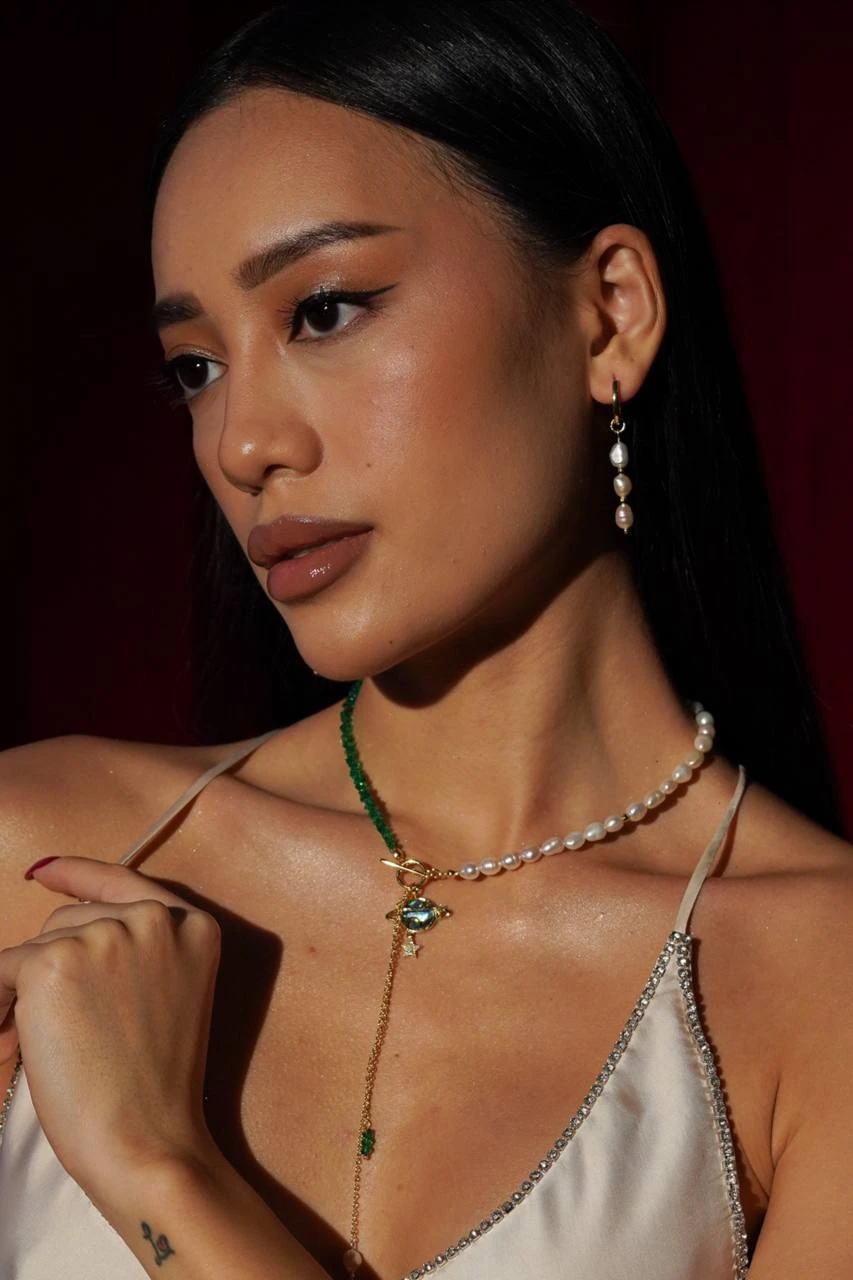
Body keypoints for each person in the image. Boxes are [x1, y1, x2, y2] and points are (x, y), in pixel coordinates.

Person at [0, 2, 851, 1277]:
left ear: (610, 314)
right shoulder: (39, 855)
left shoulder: (821, 987)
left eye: (325, 310)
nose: (244, 443)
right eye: (194, 367)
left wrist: (153, 1162)